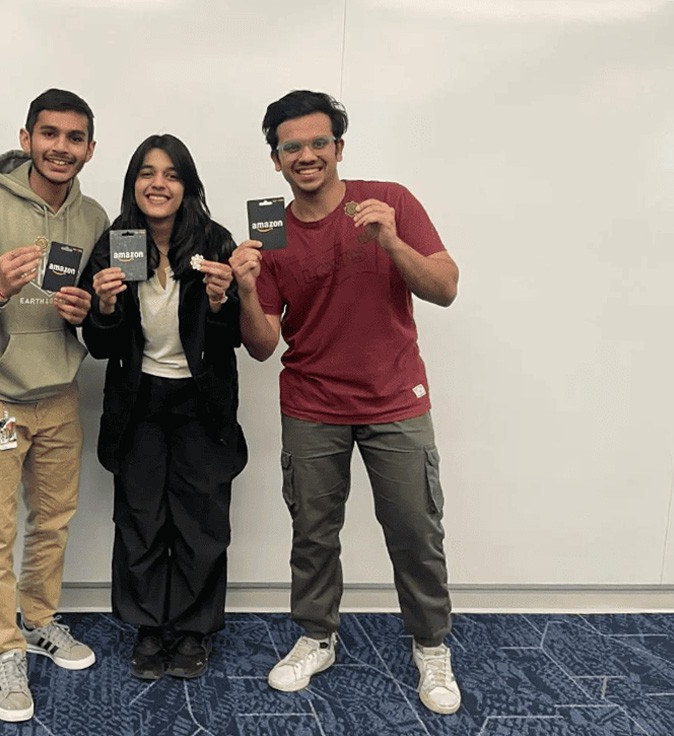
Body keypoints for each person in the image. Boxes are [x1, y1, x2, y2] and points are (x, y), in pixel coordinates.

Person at [229, 90, 463, 715]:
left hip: (395, 399)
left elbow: (444, 288)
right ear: (275, 159)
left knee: (415, 531)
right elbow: (261, 345)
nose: (306, 156)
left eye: (317, 144)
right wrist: (248, 291)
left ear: (338, 148)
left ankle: (431, 645)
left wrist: (390, 241)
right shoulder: (269, 226)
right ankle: (316, 636)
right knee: (312, 532)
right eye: (291, 148)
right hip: (311, 402)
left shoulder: (390, 200)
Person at [0, 88, 108, 723]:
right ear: (26, 137)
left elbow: (96, 311)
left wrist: (90, 312)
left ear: (91, 147)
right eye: (50, 134)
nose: (61, 148)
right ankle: (3, 647)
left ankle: (38, 620)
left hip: (59, 395)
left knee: (54, 521)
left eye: (74, 137)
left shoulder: (94, 220)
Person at [80, 134, 246, 681]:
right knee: (140, 520)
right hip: (139, 400)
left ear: (188, 185)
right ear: (133, 184)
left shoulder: (215, 241)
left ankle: (194, 631)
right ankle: (150, 628)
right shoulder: (115, 243)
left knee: (201, 524)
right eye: (147, 173)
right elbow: (100, 344)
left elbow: (232, 338)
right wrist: (104, 306)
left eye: (171, 174)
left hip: (201, 403)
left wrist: (222, 301)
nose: (158, 183)